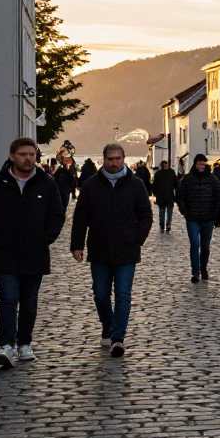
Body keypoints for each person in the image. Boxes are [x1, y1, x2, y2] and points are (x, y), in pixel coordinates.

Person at [0, 138, 66, 367]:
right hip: (3, 251)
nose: (28, 158)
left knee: (29, 301)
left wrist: (46, 238)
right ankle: (6, 345)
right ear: (12, 156)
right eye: (23, 154)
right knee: (8, 299)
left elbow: (57, 215)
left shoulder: (46, 183)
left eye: (32, 154)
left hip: (35, 253)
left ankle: (24, 343)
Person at [70, 143, 153, 357]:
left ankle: (118, 338)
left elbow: (145, 215)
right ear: (103, 160)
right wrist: (77, 244)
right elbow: (80, 217)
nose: (114, 162)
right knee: (100, 294)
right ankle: (107, 323)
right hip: (99, 249)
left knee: (123, 295)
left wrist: (138, 238)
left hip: (127, 250)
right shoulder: (91, 185)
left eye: (117, 159)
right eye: (110, 159)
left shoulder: (135, 185)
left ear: (123, 159)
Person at [176, 153, 220, 283]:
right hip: (192, 218)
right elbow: (179, 196)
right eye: (199, 163)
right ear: (195, 164)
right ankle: (195, 272)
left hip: (208, 218)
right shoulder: (187, 179)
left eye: (203, 163)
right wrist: (184, 211)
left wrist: (216, 215)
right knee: (194, 245)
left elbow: (219, 197)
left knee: (205, 247)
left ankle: (204, 269)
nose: (201, 166)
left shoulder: (212, 179)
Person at [152, 160, 178, 233]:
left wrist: (155, 193)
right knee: (168, 211)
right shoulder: (171, 172)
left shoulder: (158, 173)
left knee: (162, 211)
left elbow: (154, 185)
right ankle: (168, 224)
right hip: (169, 195)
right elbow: (176, 184)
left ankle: (162, 225)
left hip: (161, 196)